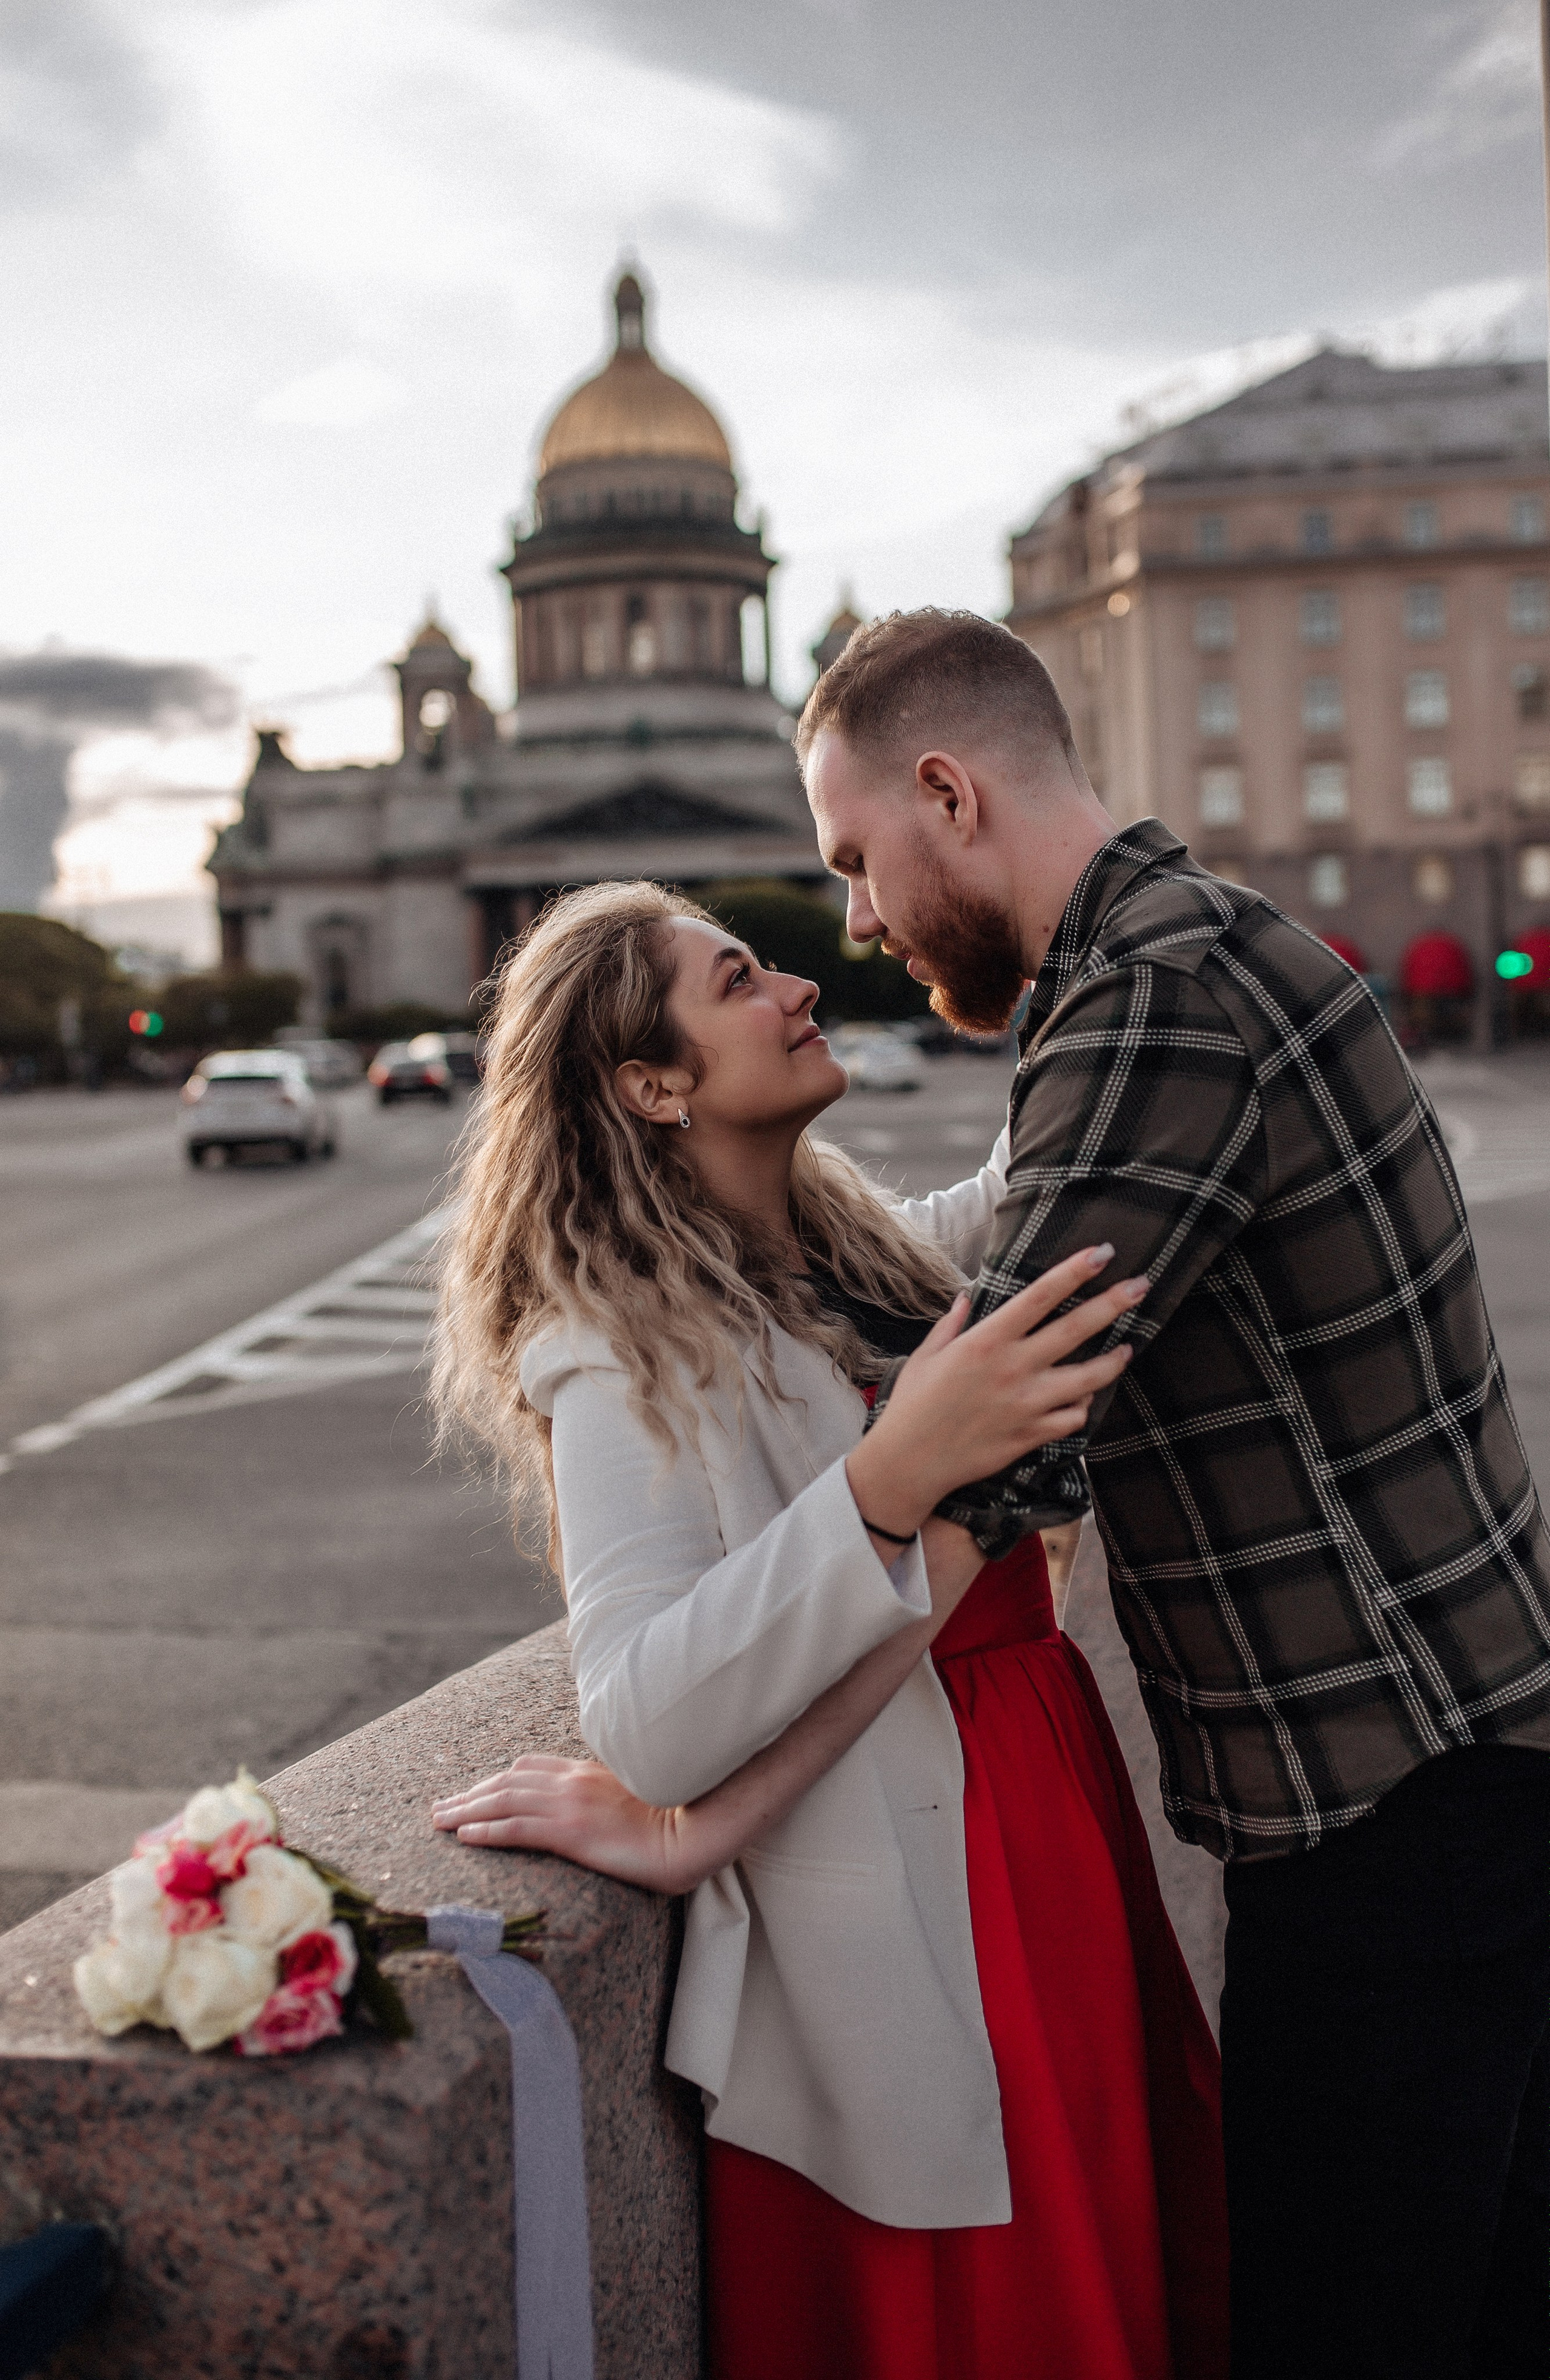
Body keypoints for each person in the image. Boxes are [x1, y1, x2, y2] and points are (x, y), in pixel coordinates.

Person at [789, 609, 1550, 2379]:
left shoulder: (1152, 998)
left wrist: (680, 1777)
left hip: (1398, 1829)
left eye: (854, 861)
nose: (859, 923)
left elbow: (994, 1429)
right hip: (1455, 1790)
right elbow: (996, 1247)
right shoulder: (1188, 952)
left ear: (948, 791)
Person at [431, 879, 1229, 2380]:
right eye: (737, 980)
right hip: (915, 1870)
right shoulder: (612, 1349)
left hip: (1035, 1797)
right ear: (654, 1085)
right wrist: (887, 1474)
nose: (798, 986)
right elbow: (645, 1713)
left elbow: (1079, 1148)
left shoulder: (871, 1253)